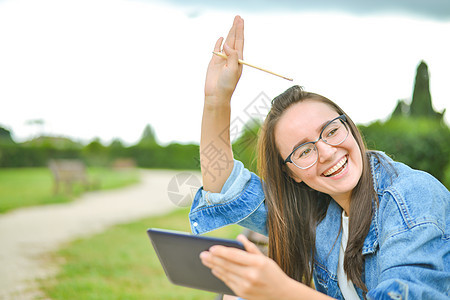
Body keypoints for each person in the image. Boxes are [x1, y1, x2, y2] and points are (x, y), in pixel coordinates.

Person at [190, 15, 450, 300]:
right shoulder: (318, 210)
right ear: (292, 174)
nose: (326, 152)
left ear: (349, 126)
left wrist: (282, 292)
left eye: (331, 131)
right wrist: (216, 100)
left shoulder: (410, 197)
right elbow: (226, 190)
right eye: (304, 151)